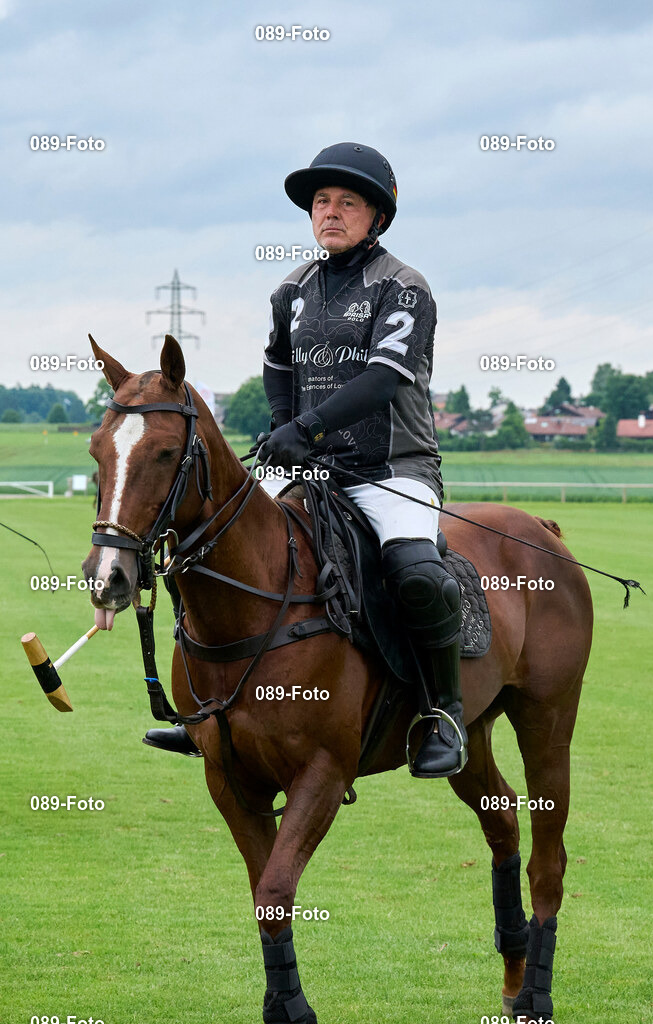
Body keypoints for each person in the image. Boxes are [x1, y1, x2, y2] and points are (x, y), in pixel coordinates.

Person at [146, 143, 467, 778]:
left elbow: (383, 379)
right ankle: (206, 706)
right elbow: (277, 367)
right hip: (307, 467)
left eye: (348, 202)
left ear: (377, 217)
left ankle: (443, 713)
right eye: (322, 202)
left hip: (391, 471)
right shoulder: (291, 290)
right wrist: (281, 426)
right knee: (206, 543)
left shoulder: (405, 287)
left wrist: (307, 427)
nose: (331, 212)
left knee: (416, 574)